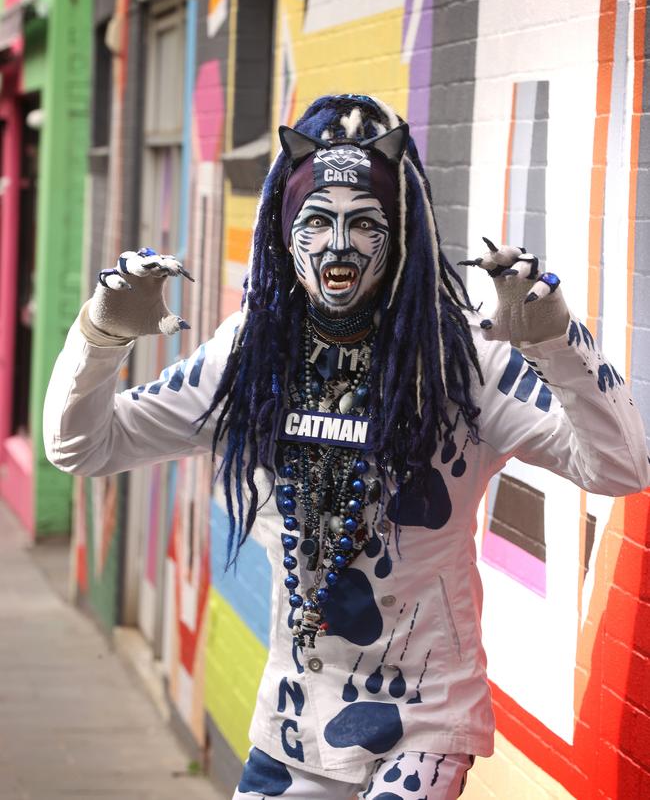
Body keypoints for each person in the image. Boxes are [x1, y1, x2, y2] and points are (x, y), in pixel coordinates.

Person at [43, 94, 649, 800]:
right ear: (283, 232)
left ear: (398, 235)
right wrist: (99, 335)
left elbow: (621, 465)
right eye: (317, 221)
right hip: (293, 727)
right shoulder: (250, 359)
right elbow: (78, 445)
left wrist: (554, 337)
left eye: (363, 224)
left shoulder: (461, 362)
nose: (338, 246)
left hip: (422, 725)